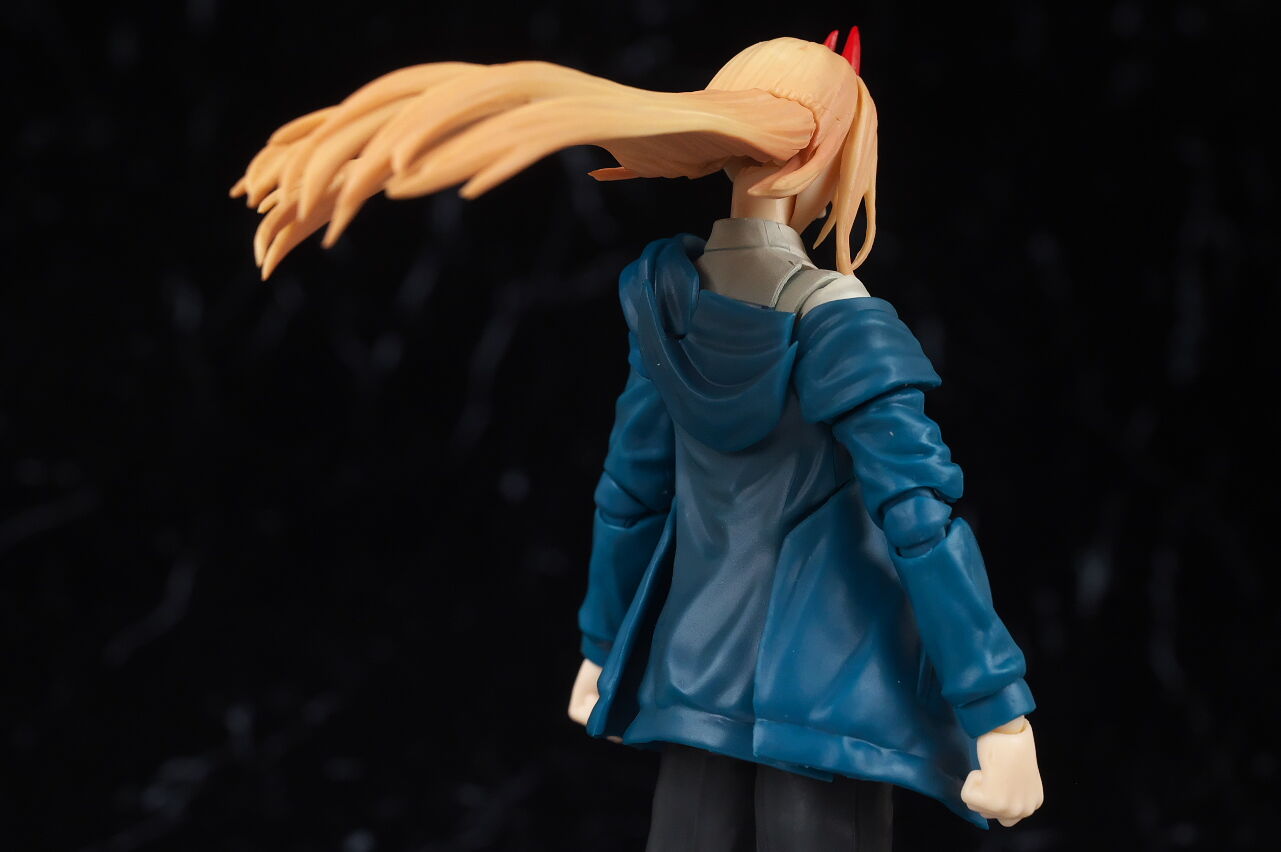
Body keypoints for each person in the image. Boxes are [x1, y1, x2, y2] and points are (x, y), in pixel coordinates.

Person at [232, 30, 1044, 850]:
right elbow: (919, 519)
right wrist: (999, 715)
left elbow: (629, 494)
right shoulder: (839, 321)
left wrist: (602, 648)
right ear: (827, 157)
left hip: (691, 674)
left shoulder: (668, 299)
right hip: (829, 696)